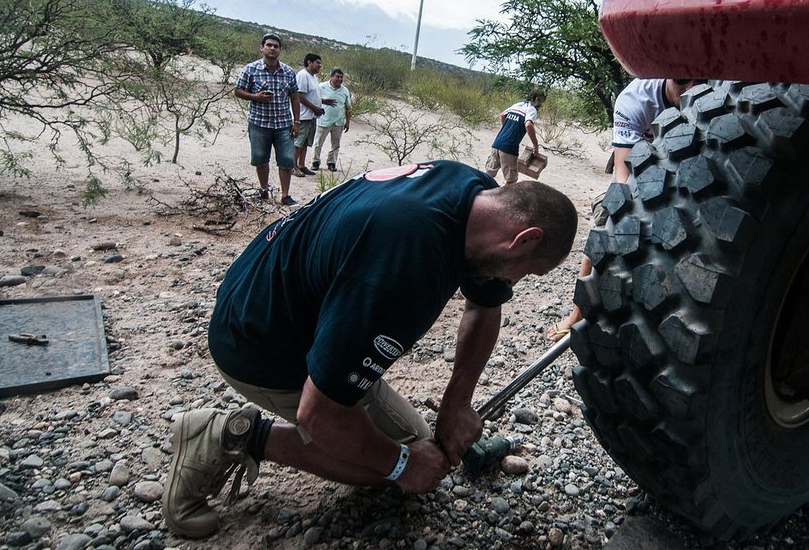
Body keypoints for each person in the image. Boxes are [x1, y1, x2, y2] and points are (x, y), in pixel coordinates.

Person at [161, 160, 578, 538]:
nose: (520, 281)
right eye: (531, 270)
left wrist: (458, 402)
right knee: (399, 464)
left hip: (275, 293)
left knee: (415, 443)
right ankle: (234, 436)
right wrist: (402, 466)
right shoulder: (405, 268)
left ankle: (353, 408)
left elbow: (484, 302)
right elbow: (317, 413)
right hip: (257, 341)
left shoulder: (474, 194)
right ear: (524, 239)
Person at [546, 78, 706, 341]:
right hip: (639, 174)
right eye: (681, 83)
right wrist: (627, 212)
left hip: (686, 171)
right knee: (606, 218)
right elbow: (623, 174)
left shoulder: (708, 93)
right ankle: (577, 312)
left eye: (697, 82)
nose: (690, 91)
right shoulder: (635, 100)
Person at [233, 33, 301, 207]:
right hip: (259, 123)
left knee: (286, 160)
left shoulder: (288, 71)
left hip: (283, 124)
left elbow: (294, 97)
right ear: (261, 47)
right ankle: (264, 191)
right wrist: (255, 96)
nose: (272, 48)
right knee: (260, 158)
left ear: (280, 50)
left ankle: (285, 196)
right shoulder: (251, 69)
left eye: (276, 46)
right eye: (269, 45)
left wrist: (296, 122)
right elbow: (238, 90)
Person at [485, 90, 543, 185]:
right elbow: (528, 125)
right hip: (509, 148)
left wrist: (507, 128)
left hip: (496, 144)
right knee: (511, 180)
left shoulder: (518, 105)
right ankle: (503, 199)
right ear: (536, 99)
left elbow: (502, 115)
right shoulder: (531, 109)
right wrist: (535, 146)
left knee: (489, 174)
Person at [312, 67, 352, 172]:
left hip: (338, 122)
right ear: (331, 76)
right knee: (318, 143)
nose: (339, 79)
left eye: (341, 77)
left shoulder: (345, 90)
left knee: (336, 144)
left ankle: (331, 162)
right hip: (323, 120)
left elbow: (348, 107)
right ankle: (315, 161)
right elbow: (313, 100)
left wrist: (347, 122)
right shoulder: (321, 87)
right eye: (337, 77)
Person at [293, 53, 325, 177]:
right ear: (309, 62)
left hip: (311, 116)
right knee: (298, 142)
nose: (320, 66)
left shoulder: (313, 77)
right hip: (303, 115)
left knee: (306, 142)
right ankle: (293, 166)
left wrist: (321, 104)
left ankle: (301, 164)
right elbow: (299, 96)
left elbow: (312, 95)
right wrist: (314, 108)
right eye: (318, 63)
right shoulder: (302, 76)